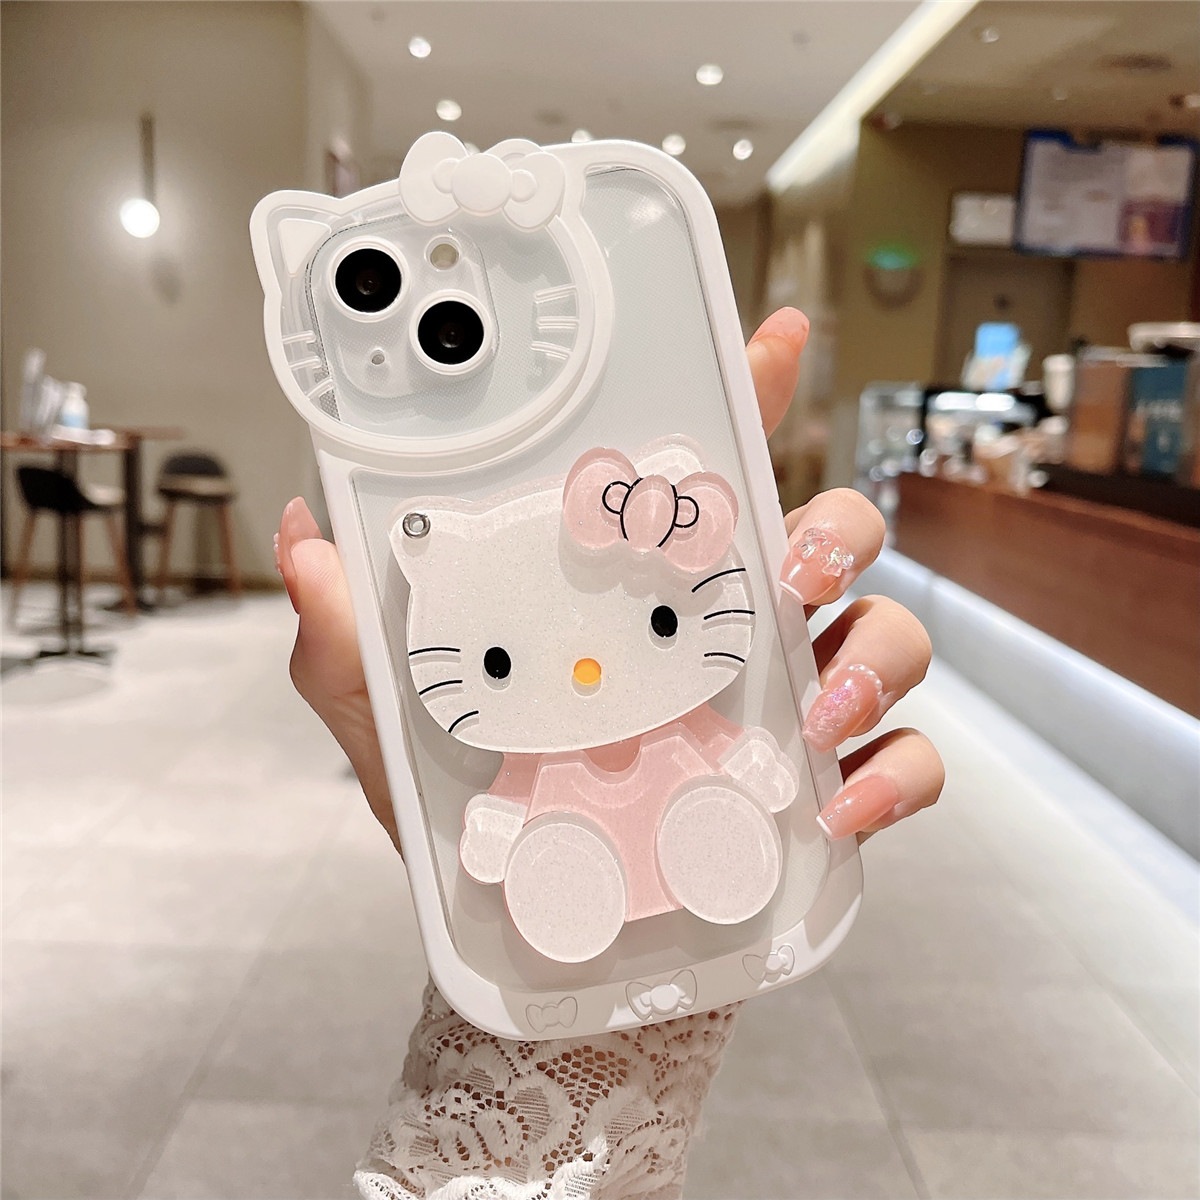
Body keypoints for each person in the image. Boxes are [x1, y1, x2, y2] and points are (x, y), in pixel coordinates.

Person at [275, 308, 943, 1199]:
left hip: (682, 818)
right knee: (567, 854)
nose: (587, 672)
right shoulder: (527, 741)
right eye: (498, 663)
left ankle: (698, 852)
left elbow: (723, 741)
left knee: (698, 808)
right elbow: (510, 794)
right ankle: (585, 880)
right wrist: (499, 851)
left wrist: (755, 760)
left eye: (664, 617)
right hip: (567, 855)